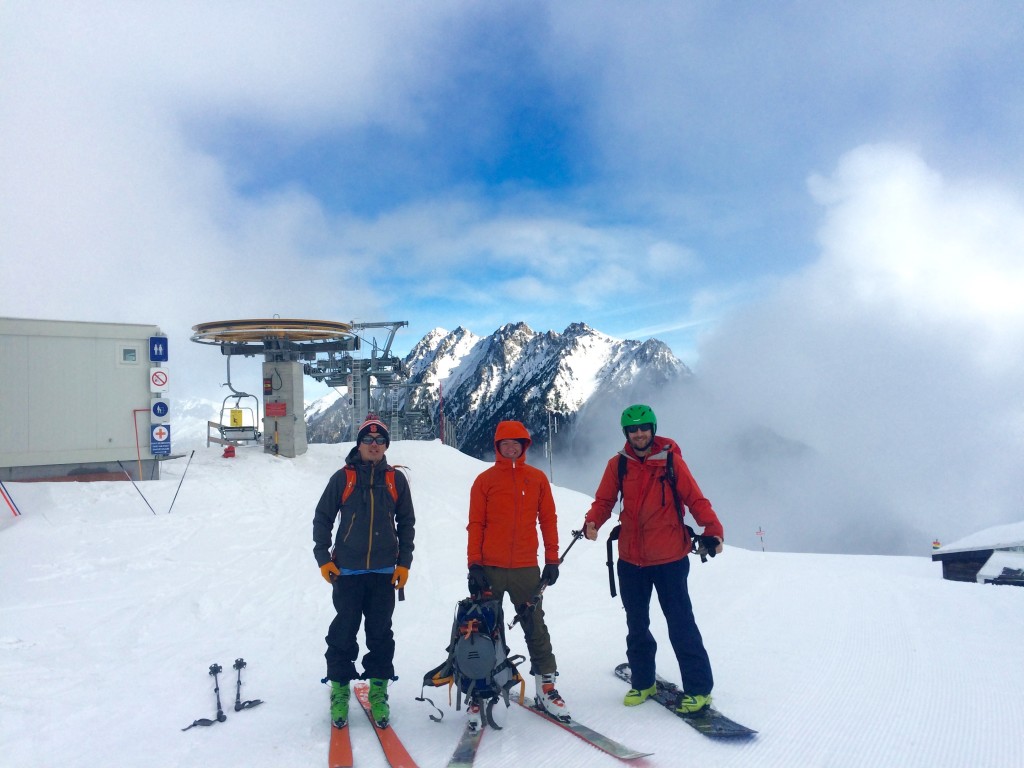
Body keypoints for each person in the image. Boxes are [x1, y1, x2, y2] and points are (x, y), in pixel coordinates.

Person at [583, 404, 724, 715]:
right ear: (626, 433)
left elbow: (695, 498)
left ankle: (699, 690)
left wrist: (713, 529)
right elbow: (604, 500)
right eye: (632, 429)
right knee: (636, 624)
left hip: (670, 557)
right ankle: (643, 681)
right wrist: (592, 521)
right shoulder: (618, 464)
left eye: (644, 427)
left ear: (653, 428)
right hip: (631, 560)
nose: (639, 434)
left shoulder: (671, 461)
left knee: (680, 623)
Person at [313, 413, 415, 730]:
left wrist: (404, 563)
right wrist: (323, 557)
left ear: (386, 445)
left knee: (380, 635)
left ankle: (379, 692)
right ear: (359, 443)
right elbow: (322, 518)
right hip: (348, 572)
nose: (374, 445)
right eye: (368, 440)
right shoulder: (343, 478)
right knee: (343, 633)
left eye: (380, 440)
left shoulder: (395, 481)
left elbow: (407, 524)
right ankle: (340, 691)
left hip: (384, 572)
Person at [466, 420, 572, 722]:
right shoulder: (485, 481)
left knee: (535, 627)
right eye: (505, 443)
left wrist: (552, 560)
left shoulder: (536, 479)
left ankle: (546, 686)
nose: (511, 447)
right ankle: (479, 687)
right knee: (484, 629)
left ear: (525, 445)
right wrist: (474, 563)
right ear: (497, 446)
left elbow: (548, 520)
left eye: (517, 443)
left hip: (526, 566)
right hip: (490, 567)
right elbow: (476, 523)